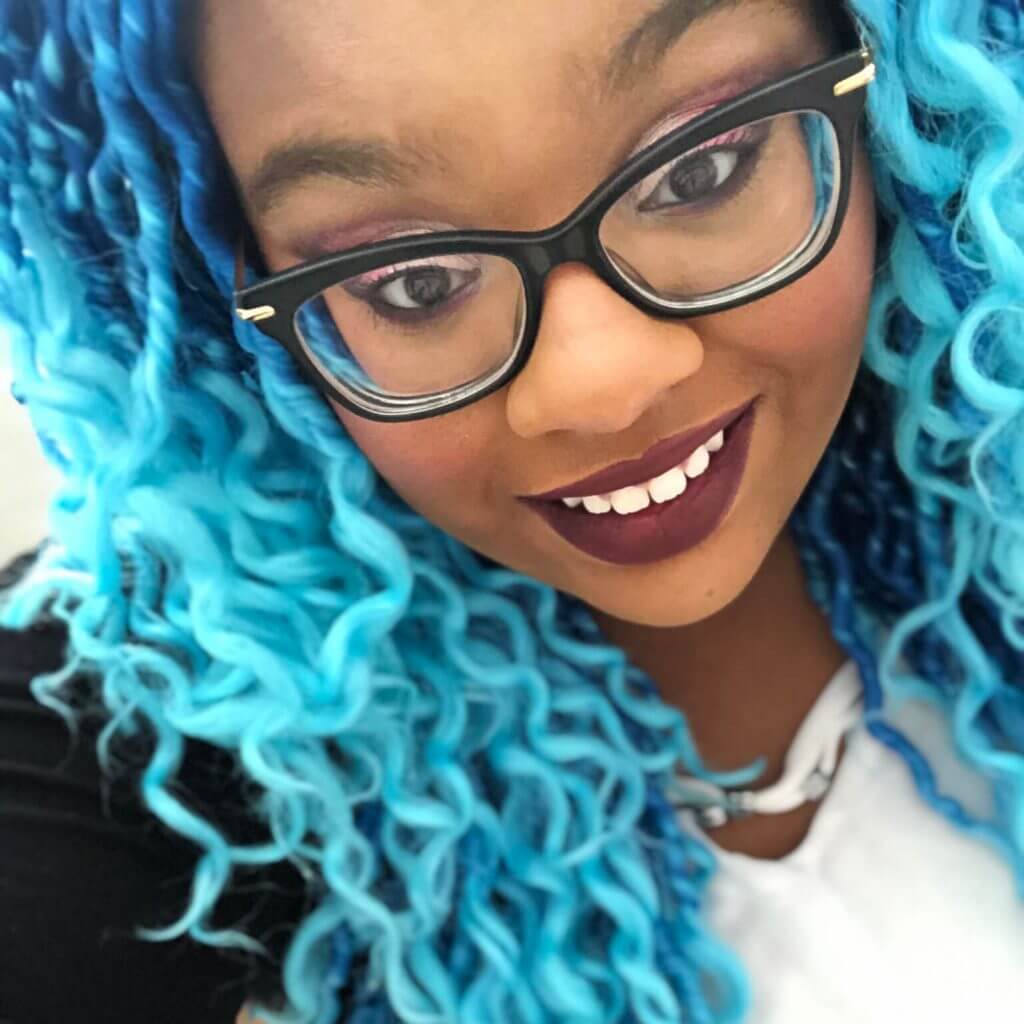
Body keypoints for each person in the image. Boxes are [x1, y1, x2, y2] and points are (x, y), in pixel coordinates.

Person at [0, 0, 1022, 1021]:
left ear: (896, 96)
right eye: (415, 282)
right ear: (221, 307)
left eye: (701, 168)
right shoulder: (148, 716)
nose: (599, 385)